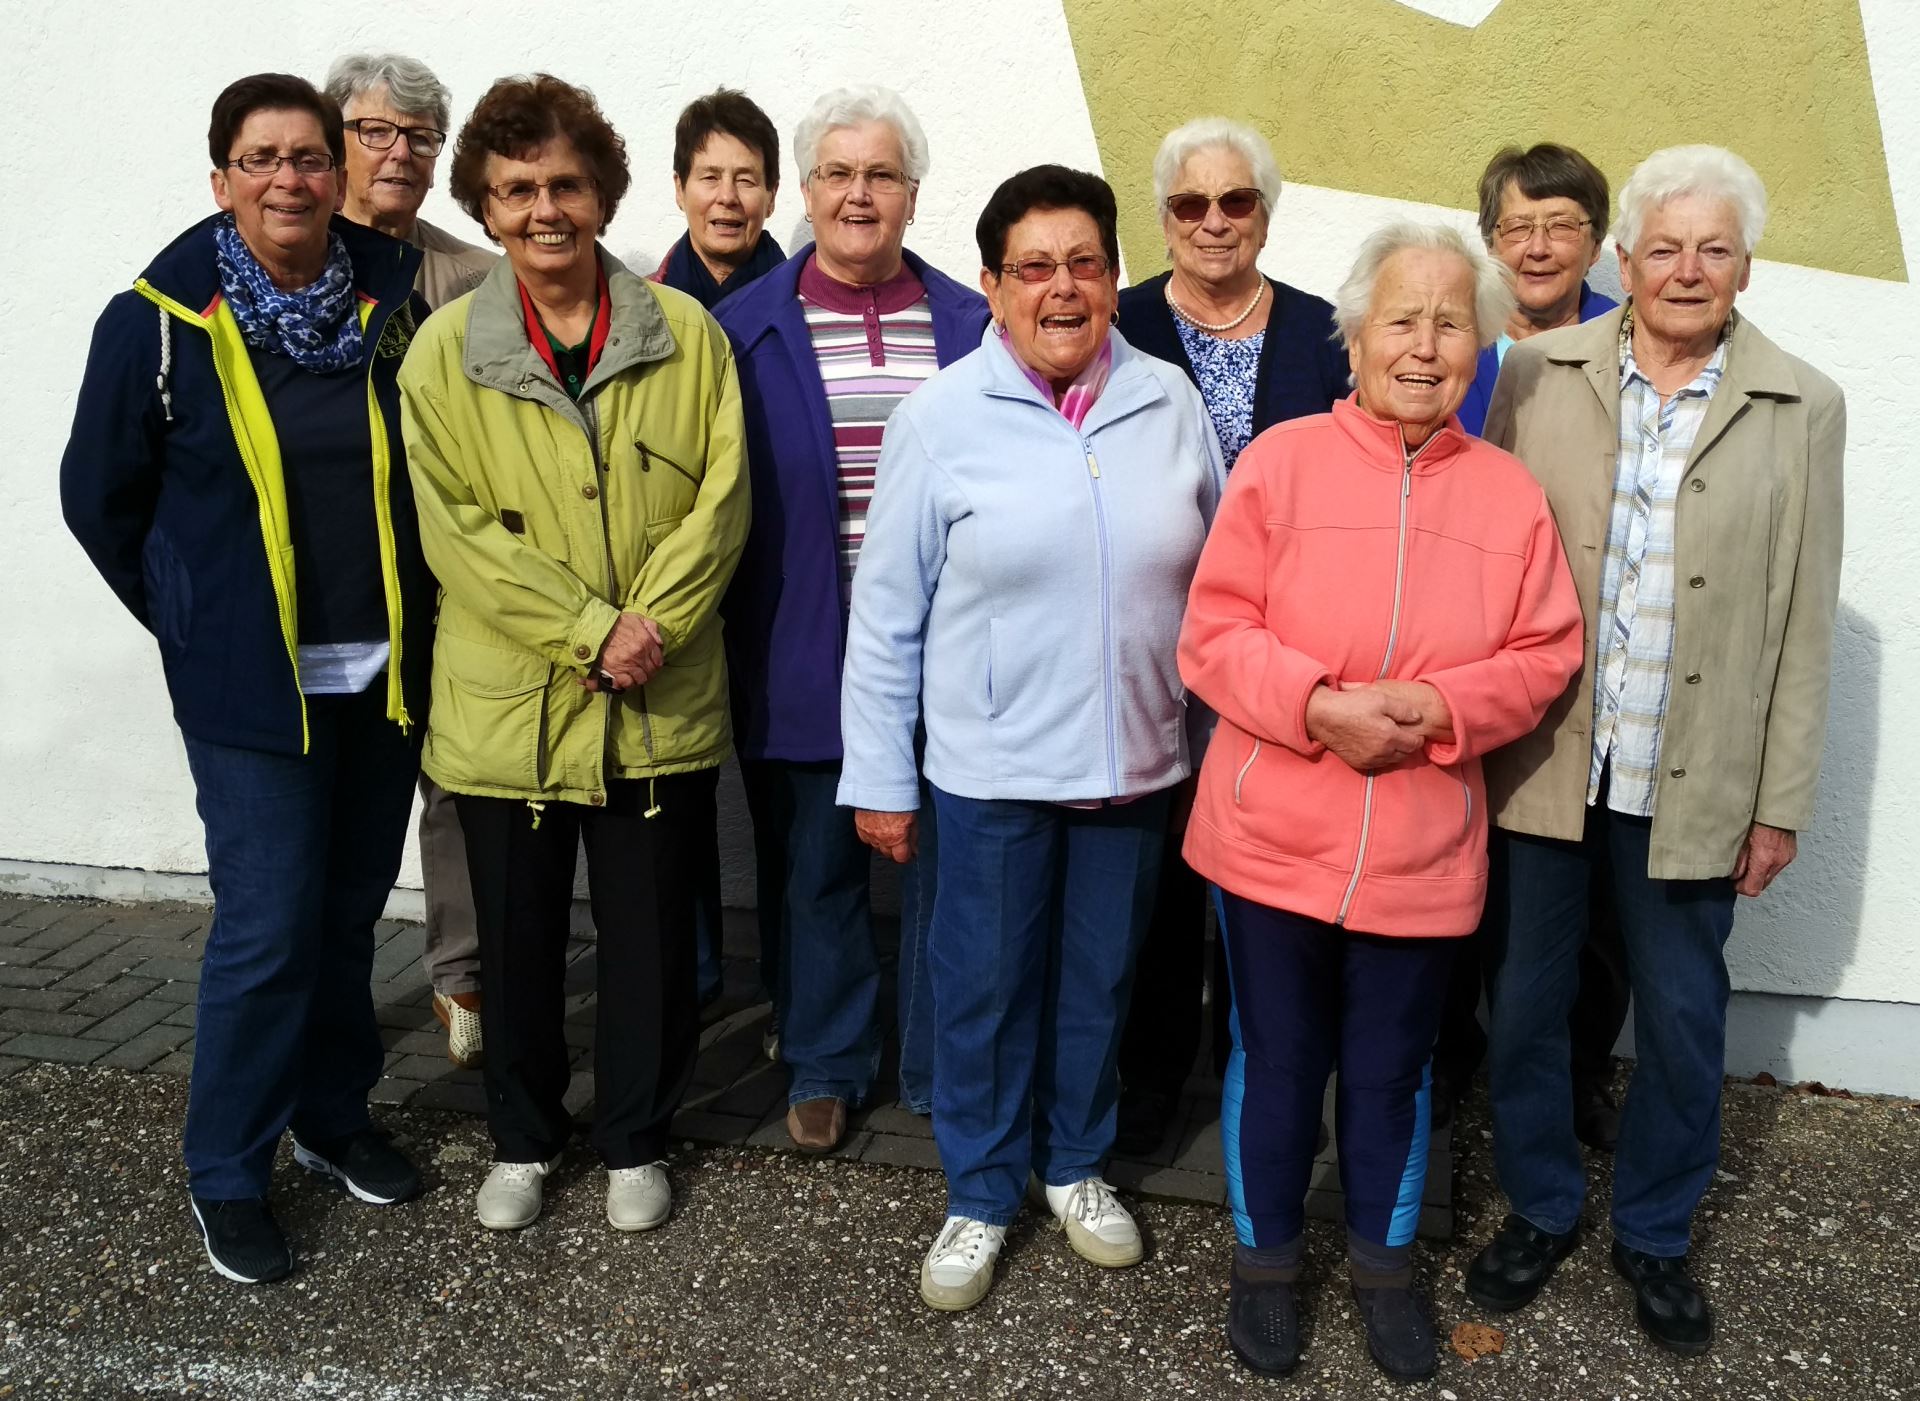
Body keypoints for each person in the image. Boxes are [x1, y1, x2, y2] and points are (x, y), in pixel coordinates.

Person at [1179, 223, 1583, 1380]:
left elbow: (1544, 653)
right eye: (1402, 319)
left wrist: (1437, 709)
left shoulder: (1509, 496)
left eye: (1451, 321)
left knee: (1395, 1068)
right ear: (1355, 335)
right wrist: (1318, 708)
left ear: (1484, 343)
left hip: (1421, 844)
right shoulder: (1281, 461)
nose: (1424, 344)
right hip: (1270, 835)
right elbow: (1213, 634)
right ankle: (1263, 1269)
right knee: (1279, 1055)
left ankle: (1383, 1271)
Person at [1467, 146, 1845, 1358]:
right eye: (1665, 247)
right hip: (1546, 759)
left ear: (1746, 265)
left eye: (1714, 248)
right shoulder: (1537, 369)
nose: (1688, 270)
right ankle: (1538, 1203)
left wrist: (1779, 801)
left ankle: (1658, 1232)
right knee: (1525, 1010)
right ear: (1623, 261)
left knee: (1682, 1020)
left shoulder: (1803, 403)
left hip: (1696, 780)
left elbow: (1803, 617)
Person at [61, 73, 435, 1285]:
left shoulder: (390, 301)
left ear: (339, 170)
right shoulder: (160, 320)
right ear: (221, 177)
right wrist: (192, 618)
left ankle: (331, 1117)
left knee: (343, 918)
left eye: (311, 157)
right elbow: (99, 497)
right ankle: (227, 1167)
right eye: (262, 158)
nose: (290, 179)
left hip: (378, 676)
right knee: (268, 931)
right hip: (248, 692)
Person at [839, 164, 1225, 1312]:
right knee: (985, 988)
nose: (1063, 289)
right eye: (1035, 268)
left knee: (1099, 981)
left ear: (1114, 275)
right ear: (993, 286)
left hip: (1136, 760)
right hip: (992, 767)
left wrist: (1217, 745)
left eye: (1085, 264)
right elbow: (887, 615)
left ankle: (1075, 1165)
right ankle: (979, 1190)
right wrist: (880, 778)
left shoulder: (1167, 401)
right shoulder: (941, 417)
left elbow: (1217, 584)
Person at [398, 74, 748, 1235]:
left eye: (564, 184)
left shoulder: (686, 334)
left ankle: (637, 1138)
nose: (544, 209)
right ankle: (522, 1138)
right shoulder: (442, 354)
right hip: (511, 709)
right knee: (521, 938)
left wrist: (649, 629)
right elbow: (455, 535)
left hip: (657, 701)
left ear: (600, 192)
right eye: (515, 190)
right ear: (487, 209)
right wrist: (595, 631)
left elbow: (722, 502)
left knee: (647, 943)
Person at [715, 86, 987, 1152]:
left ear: (913, 194)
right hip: (803, 639)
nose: (858, 194)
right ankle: (826, 1059)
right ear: (808, 191)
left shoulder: (973, 326)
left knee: (945, 866)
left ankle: (930, 1057)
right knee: (818, 866)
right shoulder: (745, 329)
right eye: (838, 173)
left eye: (880, 175)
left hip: (953, 651)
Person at [1112, 116, 1350, 1155]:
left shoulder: (1326, 332)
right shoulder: (1115, 328)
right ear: (1161, 219)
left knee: (1269, 877)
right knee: (1159, 881)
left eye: (1236, 201)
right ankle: (1153, 1085)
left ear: (1266, 212)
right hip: (1148, 648)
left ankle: (1273, 1088)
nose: (1214, 222)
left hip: (1287, 658)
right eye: (1189, 204)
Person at [1433, 142, 1625, 1146]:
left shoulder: (1633, 344)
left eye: (1562, 226)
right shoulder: (1460, 342)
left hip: (1587, 664)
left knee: (1582, 902)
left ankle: (1578, 1071)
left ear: (1597, 241)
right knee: (1463, 872)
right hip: (1463, 656)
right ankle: (1458, 1058)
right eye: (1519, 226)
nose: (1540, 245)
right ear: (1490, 239)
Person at [325, 51, 499, 1070]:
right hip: (335, 588)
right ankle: (327, 1025)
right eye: (378, 132)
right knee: (335, 823)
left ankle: (461, 974)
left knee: (454, 779)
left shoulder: (466, 276)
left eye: (422, 137)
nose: (401, 153)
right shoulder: (290, 262)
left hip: (443, 577)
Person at [650, 86, 787, 1009]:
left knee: (784, 807)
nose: (728, 197)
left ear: (774, 195)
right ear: (679, 187)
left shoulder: (803, 299)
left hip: (779, 584)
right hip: (681, 589)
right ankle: (689, 991)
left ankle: (790, 991)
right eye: (711, 177)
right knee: (679, 804)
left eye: (747, 178)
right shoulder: (645, 308)